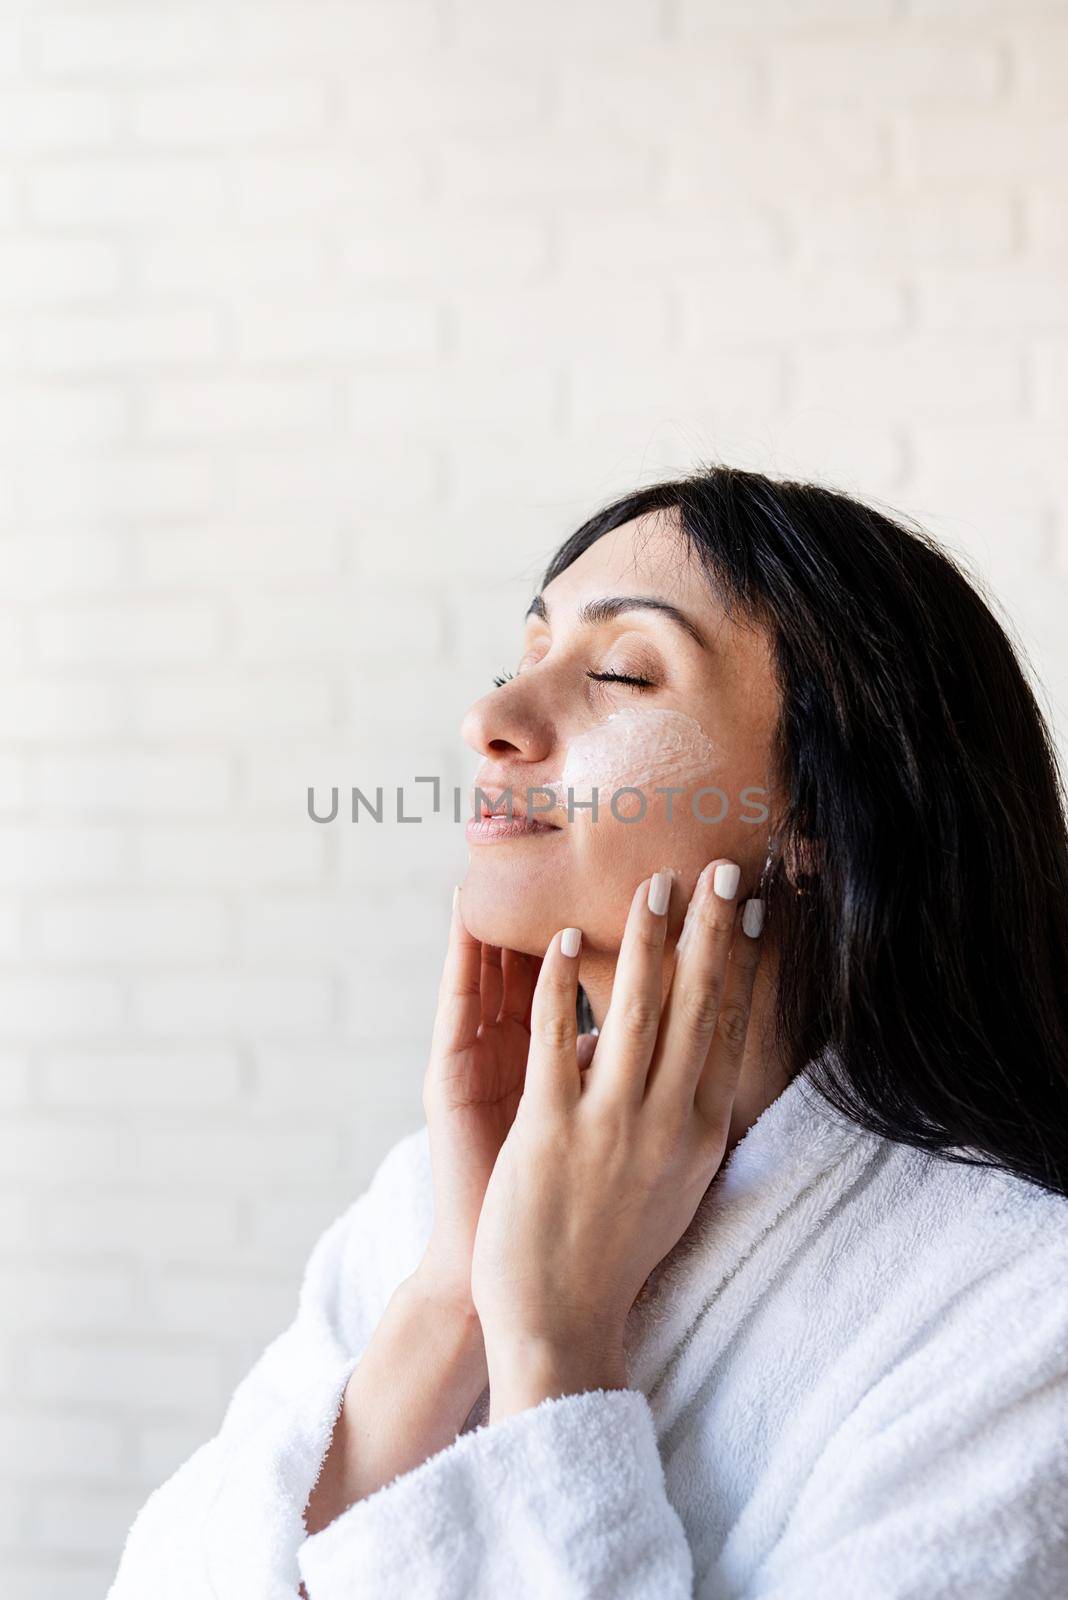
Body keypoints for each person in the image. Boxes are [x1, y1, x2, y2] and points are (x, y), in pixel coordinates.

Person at [108, 467, 1068, 1598]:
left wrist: (556, 1349)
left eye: (617, 671)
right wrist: (457, 1292)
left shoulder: (1022, 1311)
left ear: (818, 811)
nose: (490, 719)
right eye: (523, 660)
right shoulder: (427, 1203)